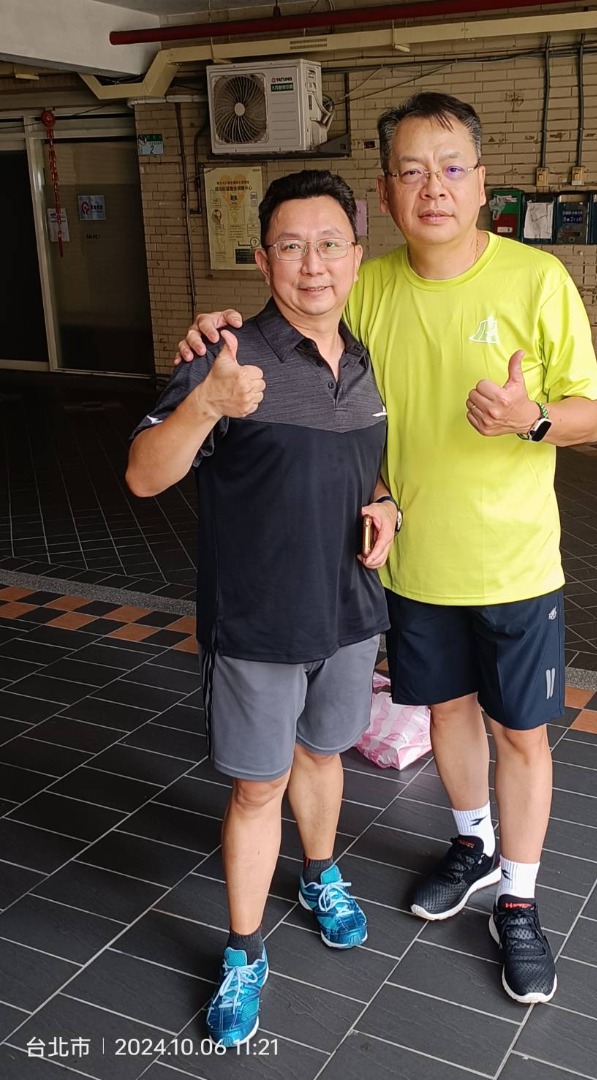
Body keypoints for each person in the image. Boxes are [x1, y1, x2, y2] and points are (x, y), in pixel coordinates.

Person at [176, 92, 597, 1006]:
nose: (433, 188)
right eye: (412, 171)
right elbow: (300, 328)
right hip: (403, 566)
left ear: (482, 184)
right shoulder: (366, 284)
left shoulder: (538, 280)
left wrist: (533, 418)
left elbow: (594, 414)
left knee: (520, 734)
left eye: (451, 169)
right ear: (386, 191)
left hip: (515, 562)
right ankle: (471, 846)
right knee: (448, 714)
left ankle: (521, 902)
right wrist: (211, 335)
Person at [127, 170, 400, 1048]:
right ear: (262, 259)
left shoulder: (362, 359)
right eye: (291, 246)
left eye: (329, 245)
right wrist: (207, 403)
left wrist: (387, 507)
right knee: (258, 787)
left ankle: (319, 873)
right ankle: (244, 951)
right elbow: (143, 475)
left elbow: (362, 472)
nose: (312, 265)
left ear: (356, 255)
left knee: (325, 755)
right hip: (256, 622)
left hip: (349, 614)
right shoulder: (225, 356)